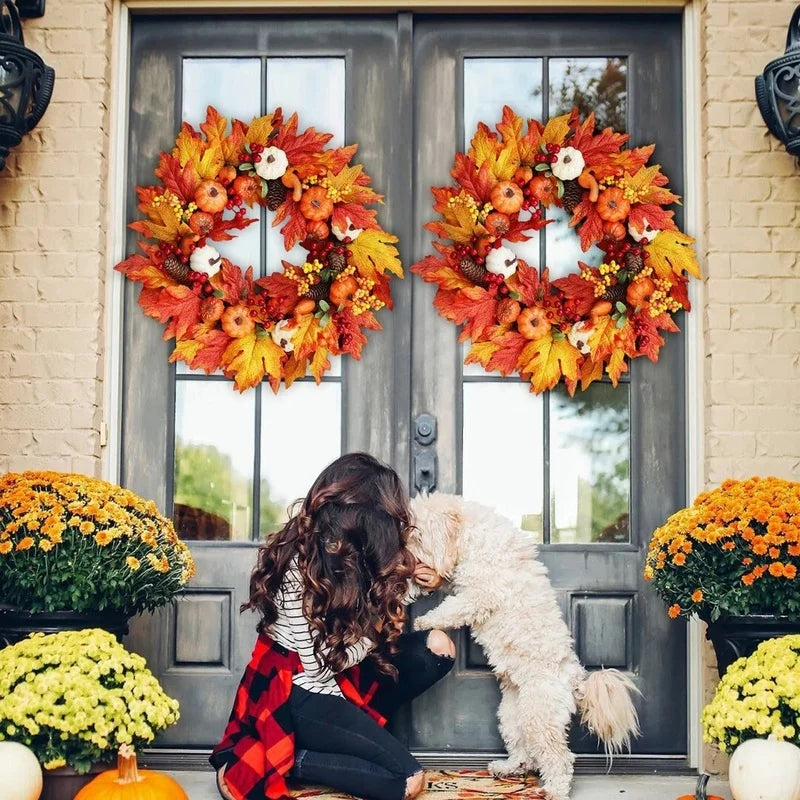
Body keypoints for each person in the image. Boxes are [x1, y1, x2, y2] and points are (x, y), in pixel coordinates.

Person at [211, 452, 456, 800]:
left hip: (341, 673)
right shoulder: (297, 564)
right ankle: (290, 760)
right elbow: (318, 668)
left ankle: (352, 739)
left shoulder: (355, 551)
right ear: (363, 518)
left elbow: (371, 618)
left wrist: (417, 582)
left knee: (439, 648)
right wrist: (372, 635)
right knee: (406, 781)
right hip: (299, 686)